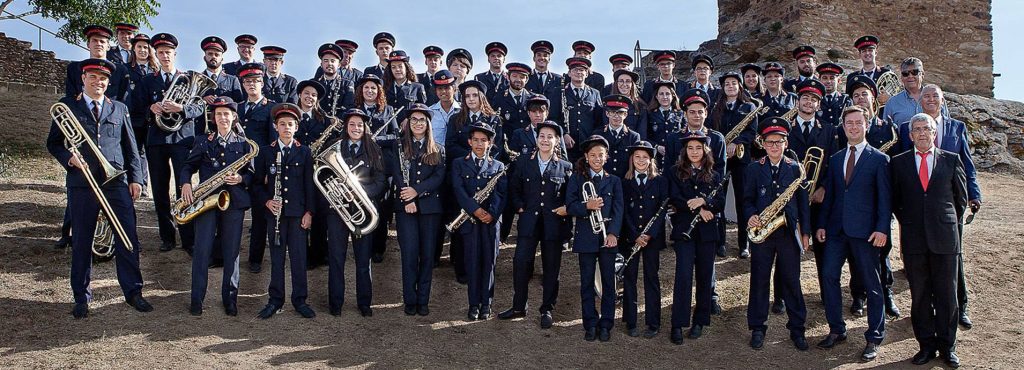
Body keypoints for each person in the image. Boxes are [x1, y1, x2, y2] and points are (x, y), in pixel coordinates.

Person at [46, 58, 149, 318]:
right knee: (82, 239)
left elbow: (131, 148)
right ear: (83, 78)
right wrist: (69, 159)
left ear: (108, 82)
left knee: (128, 238)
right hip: (82, 183)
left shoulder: (119, 109)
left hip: (116, 182)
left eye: (102, 78)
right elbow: (54, 143)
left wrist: (136, 178)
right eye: (92, 77)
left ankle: (133, 292)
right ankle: (81, 297)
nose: (98, 82)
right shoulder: (67, 106)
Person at [896, 84, 981, 329]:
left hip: (947, 211)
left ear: (942, 100)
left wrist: (966, 201)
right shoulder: (907, 129)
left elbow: (966, 165)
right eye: (926, 96)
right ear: (919, 101)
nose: (931, 99)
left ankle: (959, 306)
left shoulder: (957, 127)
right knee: (921, 266)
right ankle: (927, 312)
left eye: (935, 96)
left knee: (953, 262)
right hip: (917, 212)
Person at [890, 113, 967, 368]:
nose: (923, 133)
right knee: (920, 295)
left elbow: (960, 201)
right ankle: (926, 346)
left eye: (927, 129)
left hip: (945, 239)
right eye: (917, 129)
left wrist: (943, 223)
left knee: (947, 295)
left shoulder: (951, 159)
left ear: (935, 133)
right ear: (910, 135)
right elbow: (896, 202)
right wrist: (911, 222)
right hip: (914, 239)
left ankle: (948, 347)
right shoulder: (898, 163)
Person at [815, 105, 892, 361]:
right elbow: (831, 197)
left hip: (866, 233)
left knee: (872, 285)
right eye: (849, 123)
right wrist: (823, 224)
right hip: (837, 231)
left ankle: (874, 336)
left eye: (859, 122)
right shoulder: (836, 159)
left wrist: (882, 229)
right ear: (844, 126)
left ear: (866, 125)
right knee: (828, 277)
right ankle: (837, 329)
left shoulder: (879, 159)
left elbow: (884, 200)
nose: (854, 127)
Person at [178, 97, 252, 316]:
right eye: (218, 114)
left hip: (234, 202)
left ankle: (230, 299)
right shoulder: (203, 140)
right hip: (206, 201)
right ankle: (196, 299)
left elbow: (254, 175)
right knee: (201, 250)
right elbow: (188, 166)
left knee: (232, 252)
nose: (222, 118)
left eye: (226, 114)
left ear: (233, 117)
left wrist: (240, 179)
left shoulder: (244, 144)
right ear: (213, 118)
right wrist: (185, 184)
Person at [743, 119, 811, 351]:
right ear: (762, 143)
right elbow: (747, 200)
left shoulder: (795, 168)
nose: (774, 146)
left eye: (778, 142)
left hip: (787, 232)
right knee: (759, 280)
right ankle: (758, 328)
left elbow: (803, 205)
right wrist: (751, 215)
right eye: (769, 142)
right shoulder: (754, 168)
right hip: (763, 233)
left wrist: (806, 234)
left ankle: (797, 329)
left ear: (786, 143)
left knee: (792, 280)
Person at [497, 121, 571, 328]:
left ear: (557, 141)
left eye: (550, 137)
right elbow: (514, 188)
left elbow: (569, 196)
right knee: (521, 263)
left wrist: (565, 209)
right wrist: (520, 207)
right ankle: (519, 306)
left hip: (553, 225)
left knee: (551, 267)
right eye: (542, 136)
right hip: (529, 223)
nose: (545, 140)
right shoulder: (523, 162)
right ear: (536, 139)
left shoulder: (565, 167)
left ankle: (547, 308)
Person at [130, 32, 198, 254]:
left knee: (184, 188)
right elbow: (136, 110)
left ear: (175, 54)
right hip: (157, 140)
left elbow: (199, 108)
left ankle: (188, 238)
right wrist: (151, 109)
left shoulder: (187, 79)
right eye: (160, 53)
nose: (165, 56)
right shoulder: (147, 81)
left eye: (168, 52)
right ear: (156, 55)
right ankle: (167, 237)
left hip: (181, 140)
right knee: (159, 190)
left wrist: (182, 109)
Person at [321, 109, 387, 317]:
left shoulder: (373, 150)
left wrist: (359, 192)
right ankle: (335, 303)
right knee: (336, 258)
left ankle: (364, 303)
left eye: (360, 125)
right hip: (338, 211)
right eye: (352, 124)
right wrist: (342, 194)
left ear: (365, 127)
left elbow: (381, 182)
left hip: (363, 211)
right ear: (346, 127)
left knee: (363, 260)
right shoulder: (336, 148)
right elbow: (323, 177)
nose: (356, 128)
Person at [253, 103, 316, 319]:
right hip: (275, 215)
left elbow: (310, 185)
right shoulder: (266, 152)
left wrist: (309, 212)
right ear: (275, 126)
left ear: (296, 127)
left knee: (299, 258)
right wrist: (267, 202)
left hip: (297, 214)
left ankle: (300, 300)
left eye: (290, 124)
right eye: (282, 124)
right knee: (277, 259)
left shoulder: (305, 152)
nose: (286, 127)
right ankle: (275, 300)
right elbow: (257, 184)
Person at [668, 131, 725, 344]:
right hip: (684, 231)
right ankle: (677, 323)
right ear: (685, 151)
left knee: (704, 276)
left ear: (705, 150)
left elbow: (719, 201)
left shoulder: (715, 174)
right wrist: (697, 209)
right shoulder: (675, 172)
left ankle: (700, 321)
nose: (694, 152)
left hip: (707, 233)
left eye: (698, 148)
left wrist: (704, 203)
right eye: (690, 148)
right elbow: (674, 198)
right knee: (683, 277)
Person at [566, 135, 623, 342]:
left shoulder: (614, 180)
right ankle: (590, 323)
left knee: (609, 282)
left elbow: (619, 210)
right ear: (586, 157)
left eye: (601, 155)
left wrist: (613, 233)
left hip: (607, 237)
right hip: (586, 237)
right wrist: (586, 206)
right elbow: (570, 205)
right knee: (587, 282)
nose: (597, 159)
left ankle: (607, 323)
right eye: (593, 155)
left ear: (606, 157)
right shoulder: (577, 178)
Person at [391, 103, 447, 316]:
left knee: (427, 255)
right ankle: (410, 299)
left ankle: (423, 300)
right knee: (409, 254)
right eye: (413, 119)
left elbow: (438, 177)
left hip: (430, 208)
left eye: (422, 120)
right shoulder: (399, 146)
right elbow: (397, 175)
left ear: (428, 124)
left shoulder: (438, 149)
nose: (417, 123)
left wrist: (417, 192)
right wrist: (408, 199)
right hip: (406, 207)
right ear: (408, 123)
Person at [451, 122, 508, 321]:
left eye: (484, 140)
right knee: (472, 263)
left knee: (489, 263)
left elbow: (501, 194)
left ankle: (487, 304)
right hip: (469, 221)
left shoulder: (498, 166)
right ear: (469, 141)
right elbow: (459, 190)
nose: (479, 144)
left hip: (491, 223)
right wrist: (475, 210)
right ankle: (473, 305)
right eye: (475, 140)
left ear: (490, 143)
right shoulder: (459, 163)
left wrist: (491, 214)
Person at [708, 72, 758, 258]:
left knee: (743, 201)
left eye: (734, 83)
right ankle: (720, 243)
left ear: (739, 86)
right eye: (727, 83)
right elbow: (711, 131)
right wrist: (722, 146)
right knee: (718, 200)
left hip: (741, 160)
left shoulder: (749, 107)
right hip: (720, 160)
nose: (730, 86)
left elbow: (752, 132)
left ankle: (744, 244)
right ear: (723, 88)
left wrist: (736, 142)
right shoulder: (716, 108)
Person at [621, 141, 668, 339]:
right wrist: (635, 235)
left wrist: (649, 234)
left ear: (651, 161)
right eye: (637, 157)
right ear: (632, 159)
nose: (641, 161)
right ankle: (630, 321)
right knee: (629, 279)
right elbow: (622, 211)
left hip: (652, 239)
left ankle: (653, 322)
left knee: (651, 277)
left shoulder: (660, 181)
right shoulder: (624, 182)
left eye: (645, 157)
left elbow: (663, 209)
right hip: (630, 238)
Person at [65, 25, 130, 102]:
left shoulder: (120, 70)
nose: (98, 44)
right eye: (94, 40)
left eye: (102, 41)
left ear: (108, 46)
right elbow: (70, 97)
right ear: (88, 44)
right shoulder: (74, 69)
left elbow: (125, 101)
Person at [198, 36, 244, 133]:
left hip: (227, 129)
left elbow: (239, 105)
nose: (213, 57)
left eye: (217, 54)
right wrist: (202, 99)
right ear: (204, 57)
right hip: (202, 128)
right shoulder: (197, 79)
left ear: (222, 58)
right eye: (210, 54)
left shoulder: (233, 80)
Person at [883, 57, 949, 125]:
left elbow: (947, 126)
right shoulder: (892, 103)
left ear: (922, 74)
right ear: (901, 77)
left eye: (915, 72)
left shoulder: (937, 99)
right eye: (905, 73)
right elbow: (886, 131)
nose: (910, 76)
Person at [561, 57, 604, 160]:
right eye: (575, 69)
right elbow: (553, 117)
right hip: (566, 146)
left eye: (582, 70)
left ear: (586, 74)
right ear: (569, 73)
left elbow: (599, 120)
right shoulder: (559, 92)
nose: (579, 72)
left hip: (588, 146)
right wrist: (564, 134)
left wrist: (593, 139)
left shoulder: (594, 93)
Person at [596, 94, 641, 178]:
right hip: (604, 180)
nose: (616, 116)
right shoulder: (598, 134)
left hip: (625, 180)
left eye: (620, 112)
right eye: (613, 112)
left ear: (625, 115)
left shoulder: (633, 137)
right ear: (607, 113)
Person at [644, 81, 683, 170]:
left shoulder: (681, 114)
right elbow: (645, 136)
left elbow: (684, 134)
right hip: (656, 159)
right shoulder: (649, 114)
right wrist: (656, 147)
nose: (664, 97)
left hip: (676, 158)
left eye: (667, 94)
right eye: (661, 94)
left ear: (673, 96)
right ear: (657, 97)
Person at [490, 62, 536, 134]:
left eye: (522, 77)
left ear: (526, 80)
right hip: (507, 142)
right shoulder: (499, 99)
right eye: (514, 76)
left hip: (529, 143)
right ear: (508, 77)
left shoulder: (533, 99)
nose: (518, 80)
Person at [314, 43, 356, 117]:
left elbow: (348, 107)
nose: (329, 64)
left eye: (333, 61)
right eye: (326, 61)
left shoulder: (347, 84)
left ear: (339, 64)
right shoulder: (314, 84)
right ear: (321, 64)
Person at [605, 69, 647, 139]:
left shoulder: (640, 106)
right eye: (621, 81)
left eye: (628, 81)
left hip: (632, 144)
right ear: (616, 83)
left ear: (632, 84)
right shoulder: (608, 104)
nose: (624, 84)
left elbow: (642, 134)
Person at [525, 40, 563, 106]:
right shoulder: (526, 78)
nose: (542, 58)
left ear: (549, 59)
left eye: (545, 55)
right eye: (539, 55)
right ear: (534, 58)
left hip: (553, 116)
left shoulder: (558, 79)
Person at [816, 62, 851, 128]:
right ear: (819, 80)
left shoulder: (846, 99)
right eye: (825, 78)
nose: (828, 81)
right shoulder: (815, 99)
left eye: (832, 78)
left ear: (838, 81)